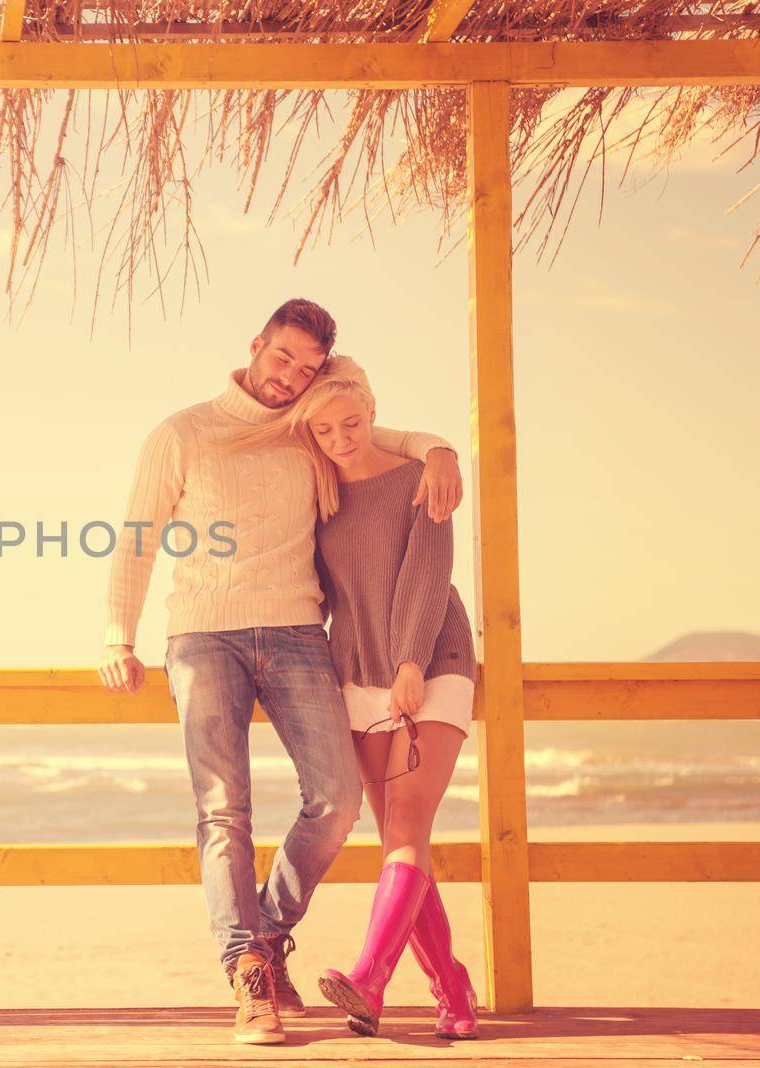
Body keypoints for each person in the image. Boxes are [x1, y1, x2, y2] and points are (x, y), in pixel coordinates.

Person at [96, 298, 463, 1045]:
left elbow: (388, 431)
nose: (289, 376)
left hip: (299, 632)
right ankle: (251, 972)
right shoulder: (182, 433)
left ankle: (262, 936)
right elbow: (138, 536)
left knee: (336, 799)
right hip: (203, 635)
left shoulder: (309, 429)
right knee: (223, 808)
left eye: (306, 367)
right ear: (256, 344)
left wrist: (443, 450)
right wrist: (117, 636)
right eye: (281, 357)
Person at [291, 368, 480, 1040]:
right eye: (323, 428)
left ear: (373, 412)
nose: (340, 437)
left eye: (352, 421)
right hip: (356, 673)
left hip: (434, 662)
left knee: (406, 824)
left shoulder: (416, 477)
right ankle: (452, 991)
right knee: (404, 840)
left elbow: (430, 575)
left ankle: (369, 978)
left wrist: (410, 666)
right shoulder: (314, 497)